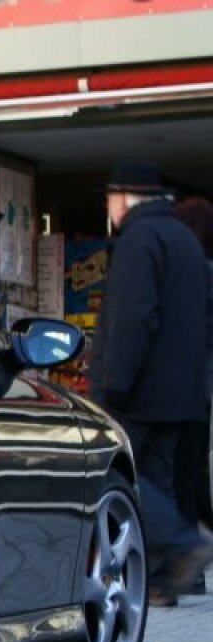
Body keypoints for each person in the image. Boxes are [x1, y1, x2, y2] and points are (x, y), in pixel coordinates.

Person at [89, 161, 213, 606]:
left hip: (141, 392)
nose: (109, 207)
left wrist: (113, 386)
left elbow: (133, 317)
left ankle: (182, 543)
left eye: (109, 198)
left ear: (123, 196)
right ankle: (161, 582)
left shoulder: (139, 239)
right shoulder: (183, 238)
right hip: (182, 393)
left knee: (129, 478)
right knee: (156, 477)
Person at [173, 195, 213, 567]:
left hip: (189, 390)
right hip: (196, 391)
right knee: (191, 473)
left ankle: (189, 543)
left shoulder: (195, 271)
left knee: (183, 475)